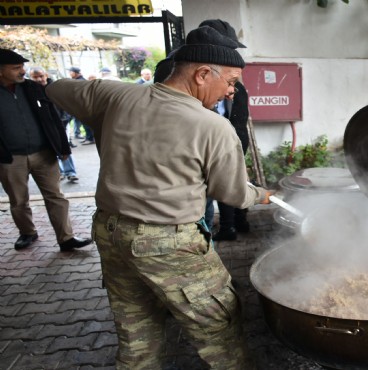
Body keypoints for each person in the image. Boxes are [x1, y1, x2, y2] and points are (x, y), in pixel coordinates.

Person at [46, 26, 271, 369]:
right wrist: (261, 194)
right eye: (230, 81)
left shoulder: (118, 97)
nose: (231, 92)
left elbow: (56, 88)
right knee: (218, 327)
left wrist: (101, 108)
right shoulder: (212, 127)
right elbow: (233, 193)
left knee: (136, 330)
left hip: (111, 233)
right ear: (201, 74)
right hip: (169, 243)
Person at [0, 49, 93, 252]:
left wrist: (63, 146)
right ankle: (28, 233)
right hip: (10, 158)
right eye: (16, 68)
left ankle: (66, 238)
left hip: (44, 153)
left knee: (56, 197)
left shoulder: (33, 88)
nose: (22, 71)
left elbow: (53, 117)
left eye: (22, 67)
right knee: (18, 200)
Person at [199, 18, 251, 241]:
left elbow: (240, 118)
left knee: (234, 182)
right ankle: (226, 228)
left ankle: (239, 222)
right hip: (207, 149)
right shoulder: (190, 81)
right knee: (216, 191)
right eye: (229, 48)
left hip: (235, 142)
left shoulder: (237, 87)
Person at [28, 66, 80, 183]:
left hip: (61, 122)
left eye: (41, 76)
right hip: (45, 125)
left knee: (63, 145)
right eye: (35, 77)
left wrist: (65, 118)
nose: (39, 79)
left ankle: (70, 171)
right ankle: (60, 172)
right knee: (52, 148)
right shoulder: (31, 91)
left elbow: (65, 104)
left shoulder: (55, 88)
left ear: (46, 75)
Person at [68, 66, 95, 145]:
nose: (70, 73)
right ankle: (89, 137)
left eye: (71, 72)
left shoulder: (80, 81)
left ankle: (90, 138)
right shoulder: (79, 80)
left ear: (75, 73)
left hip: (83, 106)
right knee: (85, 123)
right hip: (82, 106)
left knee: (86, 123)